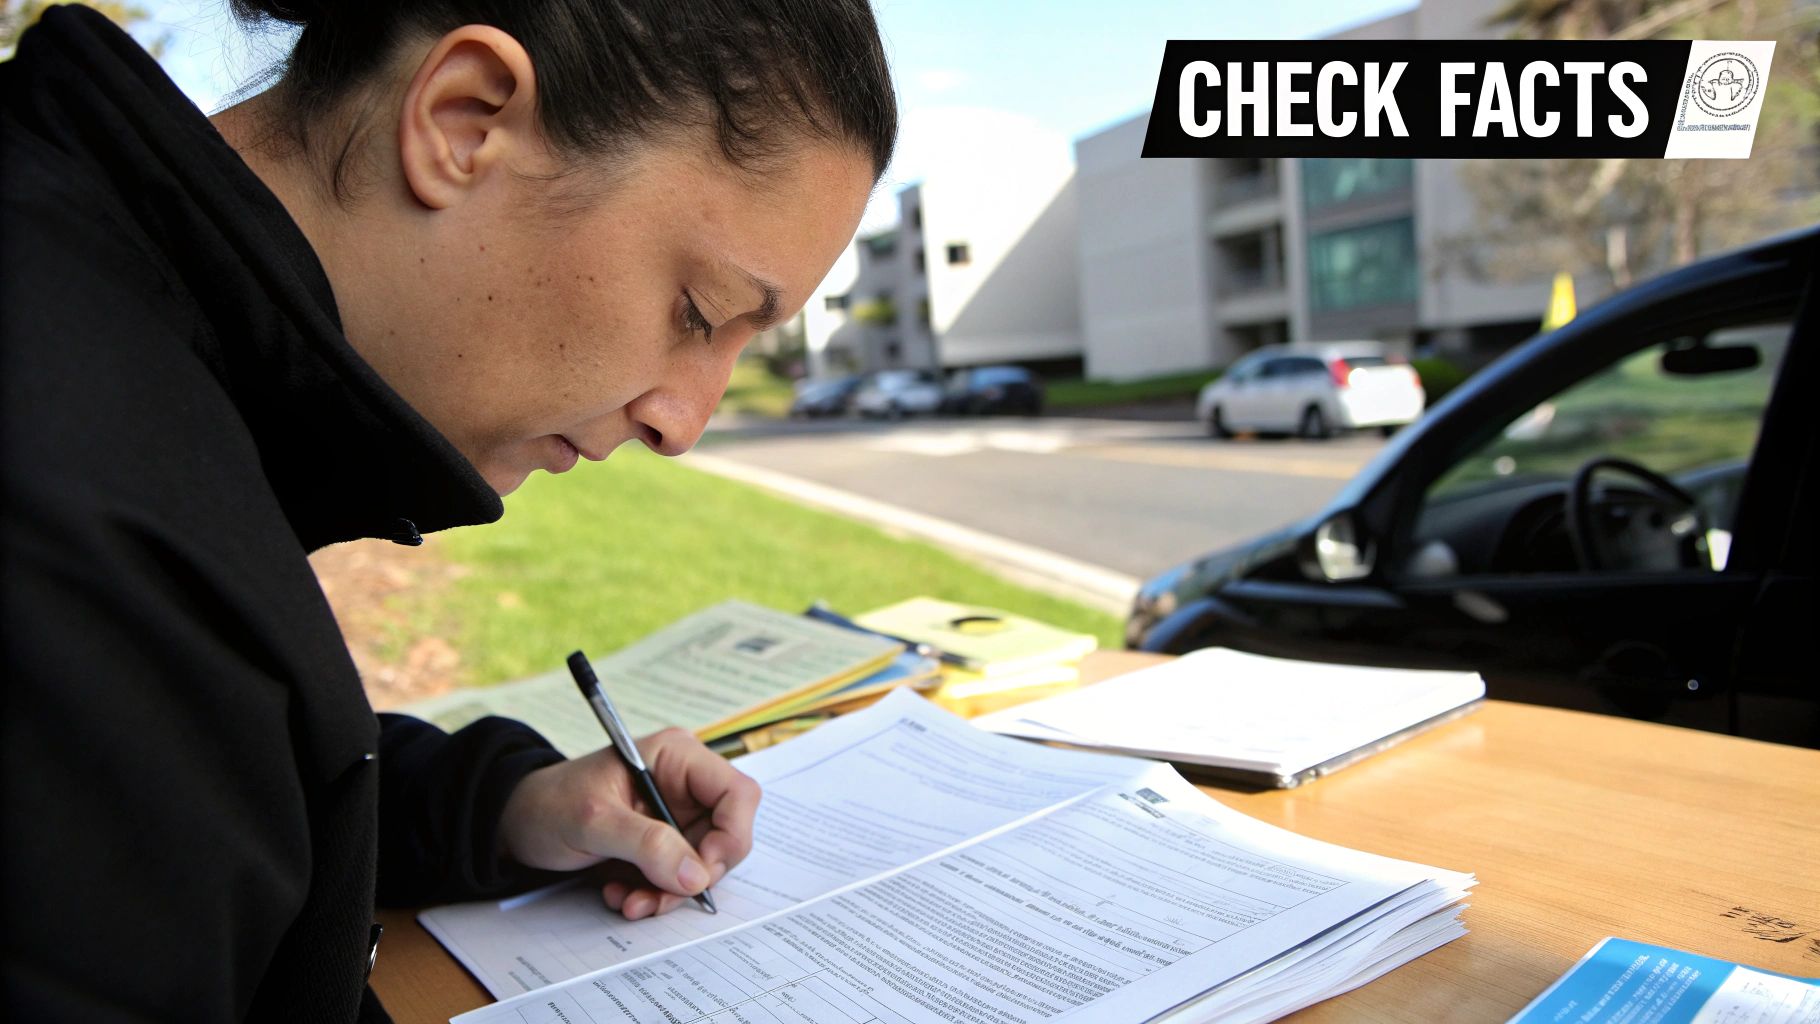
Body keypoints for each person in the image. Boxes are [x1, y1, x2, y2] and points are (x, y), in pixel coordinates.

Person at [0, 0, 895, 1018]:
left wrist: (494, 806)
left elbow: (201, 785)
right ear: (464, 122)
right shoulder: (83, 550)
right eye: (695, 311)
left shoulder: (106, 328)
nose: (683, 421)